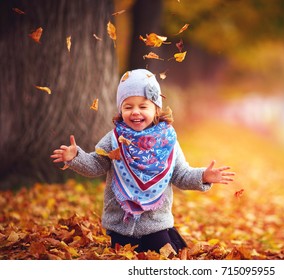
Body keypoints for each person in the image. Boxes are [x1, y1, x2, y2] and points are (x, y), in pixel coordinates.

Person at [51, 69, 235, 254]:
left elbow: (181, 174)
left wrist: (203, 176)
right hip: (120, 225)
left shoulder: (167, 141)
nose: (135, 112)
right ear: (120, 110)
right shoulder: (115, 139)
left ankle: (169, 237)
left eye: (143, 106)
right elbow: (97, 165)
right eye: (128, 107)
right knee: (123, 258)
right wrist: (76, 157)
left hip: (155, 223)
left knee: (165, 255)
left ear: (156, 109)